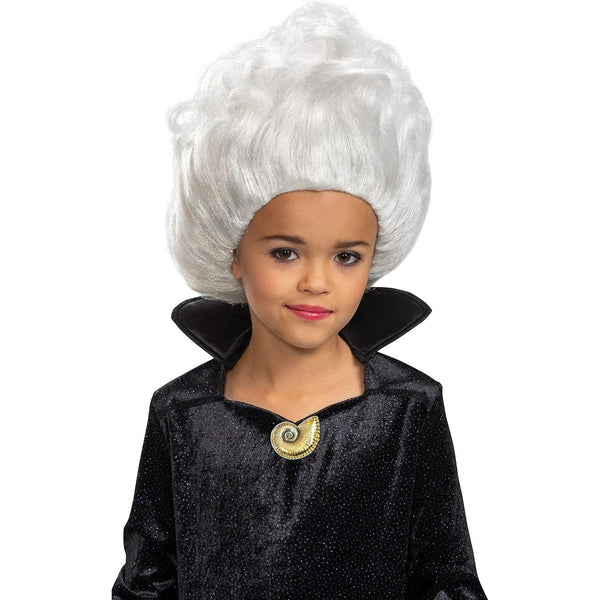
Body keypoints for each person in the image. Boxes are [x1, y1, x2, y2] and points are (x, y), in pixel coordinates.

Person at [112, 3, 488, 598]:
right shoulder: (183, 413)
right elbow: (148, 582)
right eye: (286, 252)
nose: (317, 281)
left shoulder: (406, 408)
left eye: (346, 257)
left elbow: (445, 581)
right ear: (232, 252)